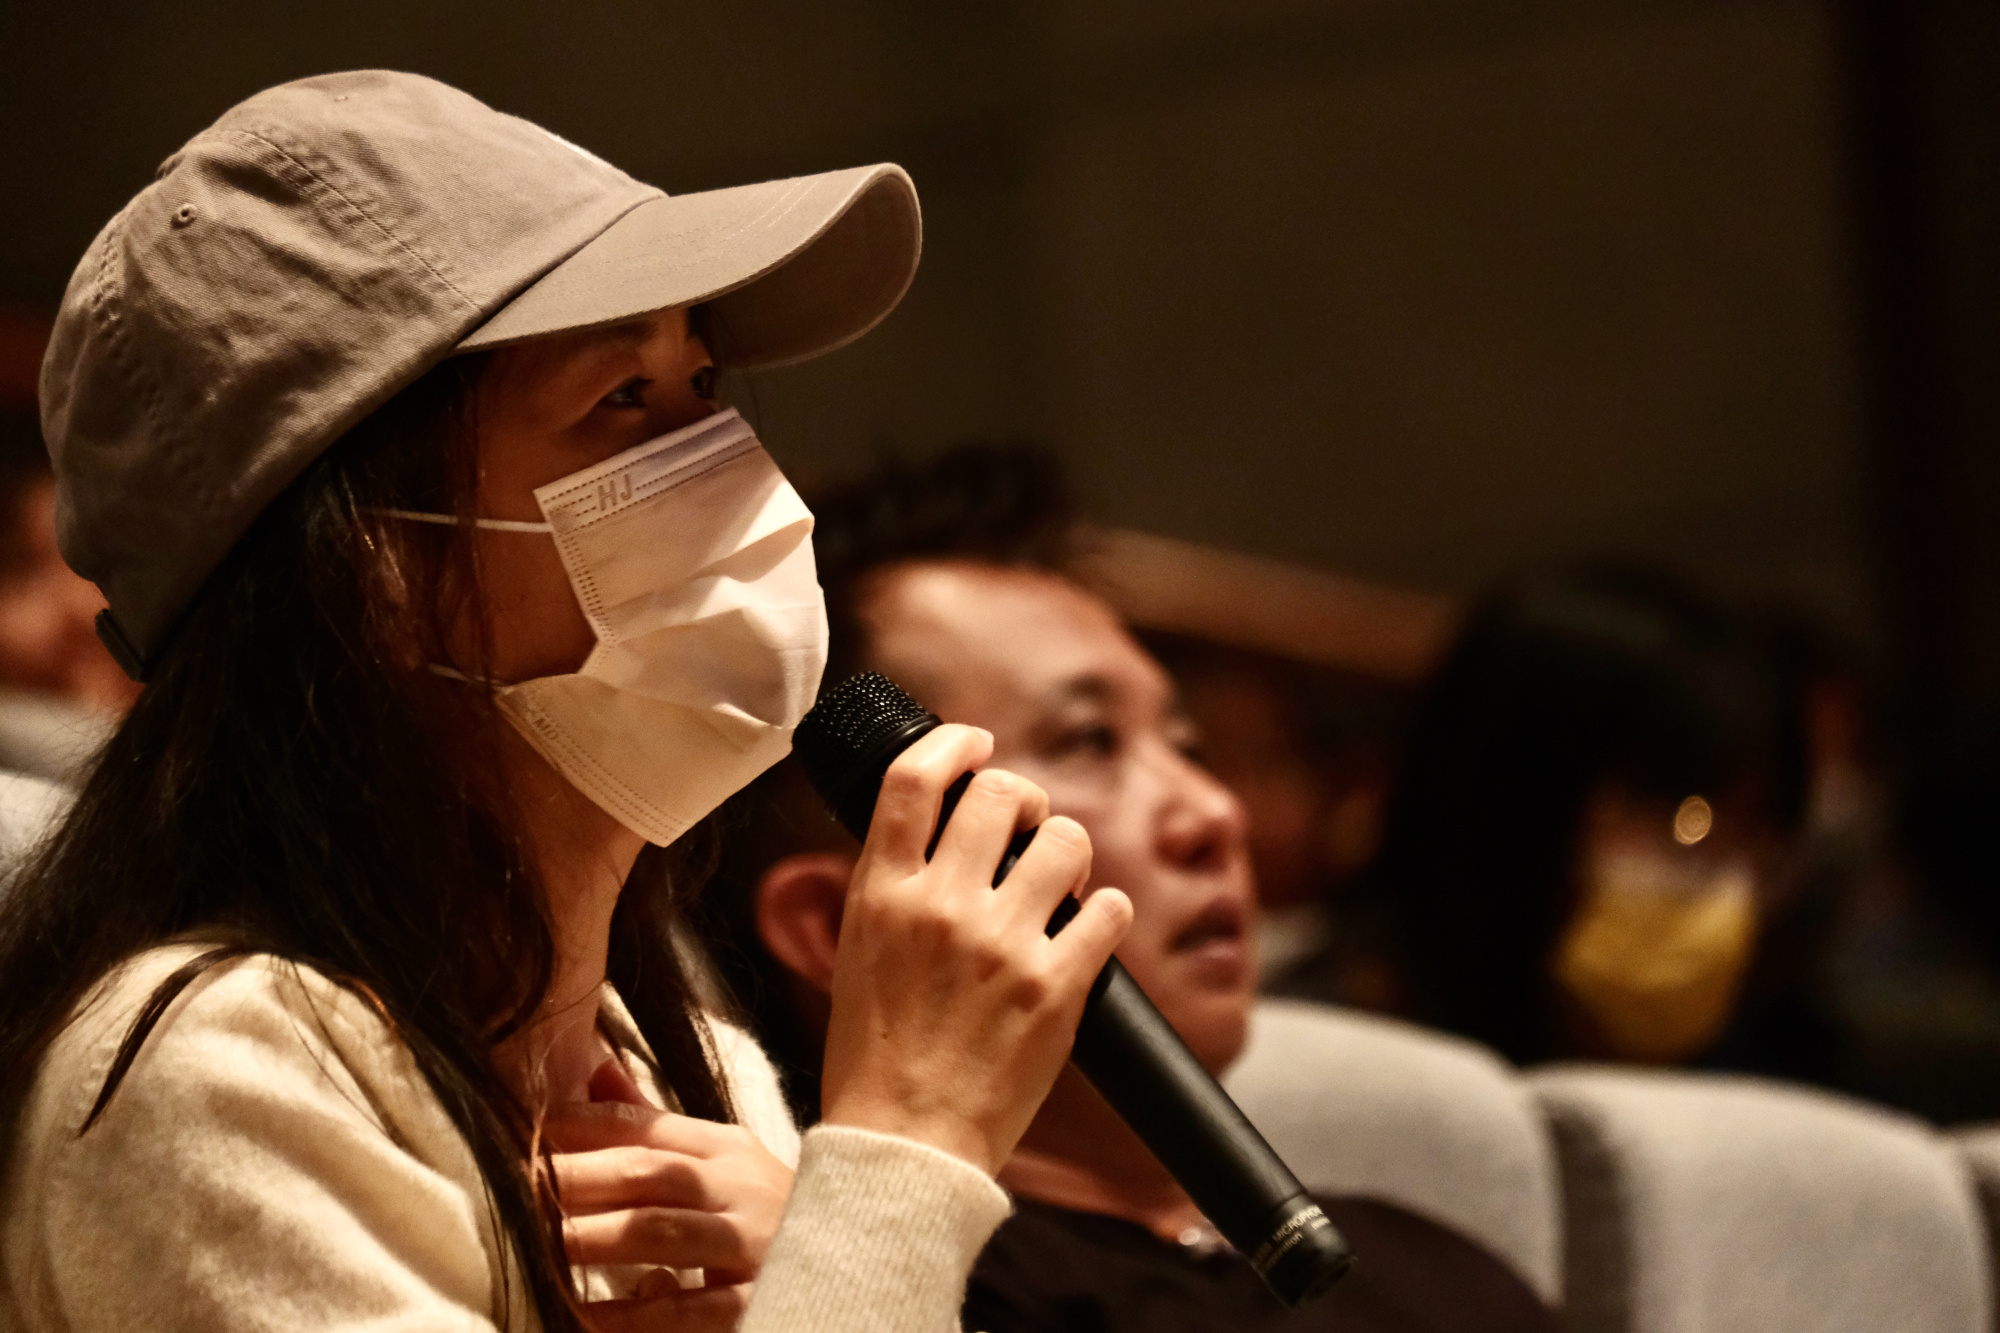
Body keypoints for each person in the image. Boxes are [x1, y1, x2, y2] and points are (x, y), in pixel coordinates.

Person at [0, 72, 1132, 1333]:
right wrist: (905, 1144)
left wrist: (824, 1263)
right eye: (620, 400)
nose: (739, 471)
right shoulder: (217, 1079)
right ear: (373, 566)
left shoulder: (679, 1060)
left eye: (703, 386)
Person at [701, 444, 1558, 1332]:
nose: (1215, 811)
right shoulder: (862, 1298)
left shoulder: (1431, 1269)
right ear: (838, 925)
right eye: (1089, 741)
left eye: (1185, 746)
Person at [1306, 562, 1786, 1067]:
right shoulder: (1332, 1055)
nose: (1728, 888)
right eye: (1684, 821)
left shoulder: (1764, 1069)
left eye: (1748, 832)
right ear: (1518, 802)